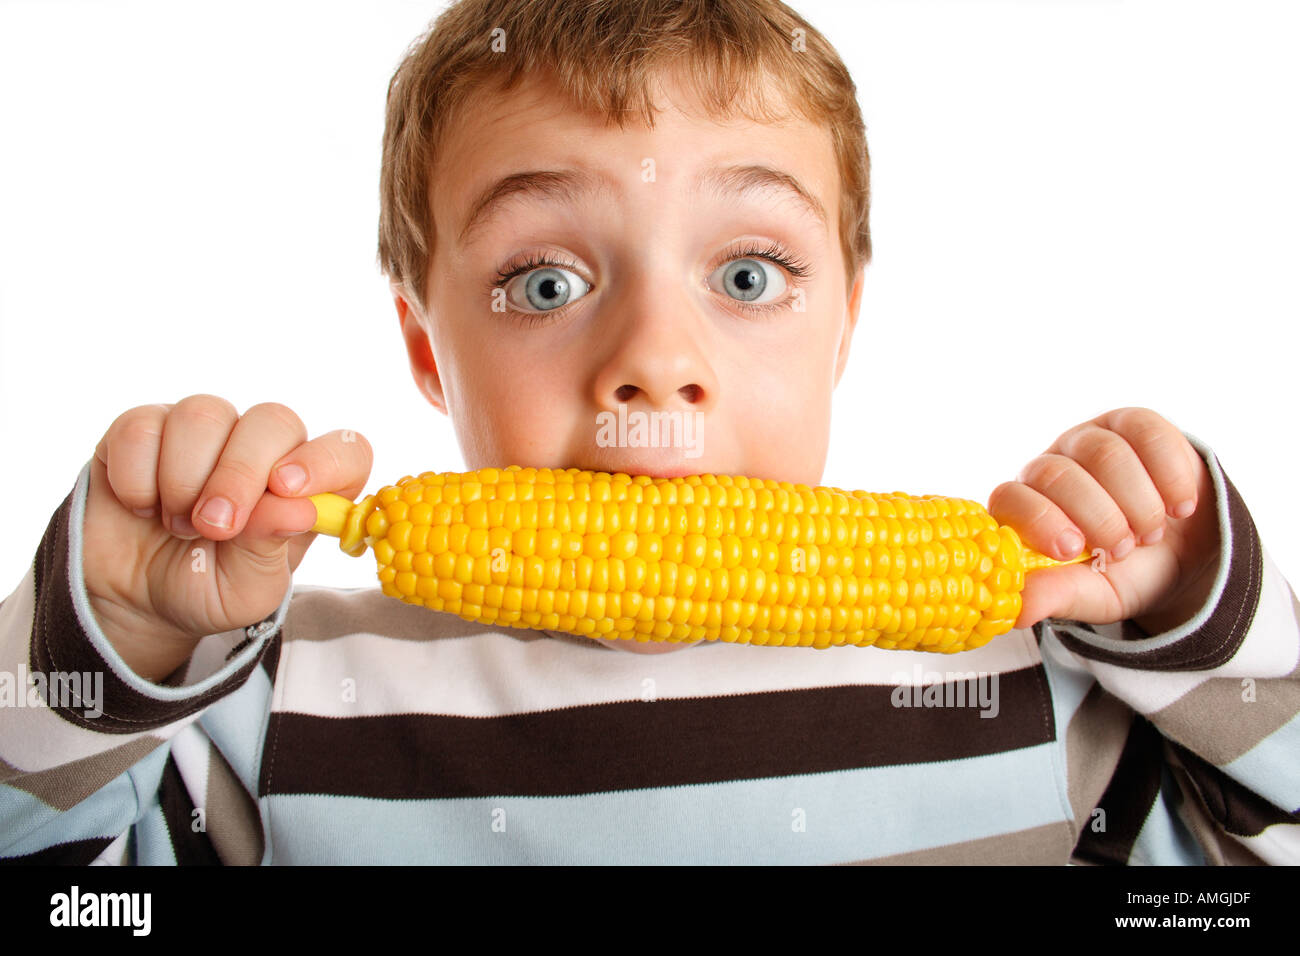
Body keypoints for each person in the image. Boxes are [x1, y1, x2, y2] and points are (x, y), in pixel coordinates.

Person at [2, 0, 1296, 865]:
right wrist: (113, 635)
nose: (655, 362)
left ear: (845, 328)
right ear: (426, 350)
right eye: (545, 284)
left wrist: (1201, 620)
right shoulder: (280, 704)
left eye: (747, 275)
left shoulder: (1026, 687)